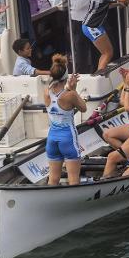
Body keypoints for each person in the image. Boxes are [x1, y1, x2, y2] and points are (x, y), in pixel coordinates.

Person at [45, 54, 88, 185]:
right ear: (66, 77)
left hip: (52, 139)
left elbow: (59, 96)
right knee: (74, 179)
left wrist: (69, 88)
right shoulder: (71, 95)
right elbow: (83, 108)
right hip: (68, 139)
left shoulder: (46, 91)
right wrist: (73, 89)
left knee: (53, 179)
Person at [67, 0, 97, 72]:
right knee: (81, 54)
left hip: (94, 21)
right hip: (79, 23)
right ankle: (81, 79)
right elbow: (76, 5)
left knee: (96, 52)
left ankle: (97, 74)